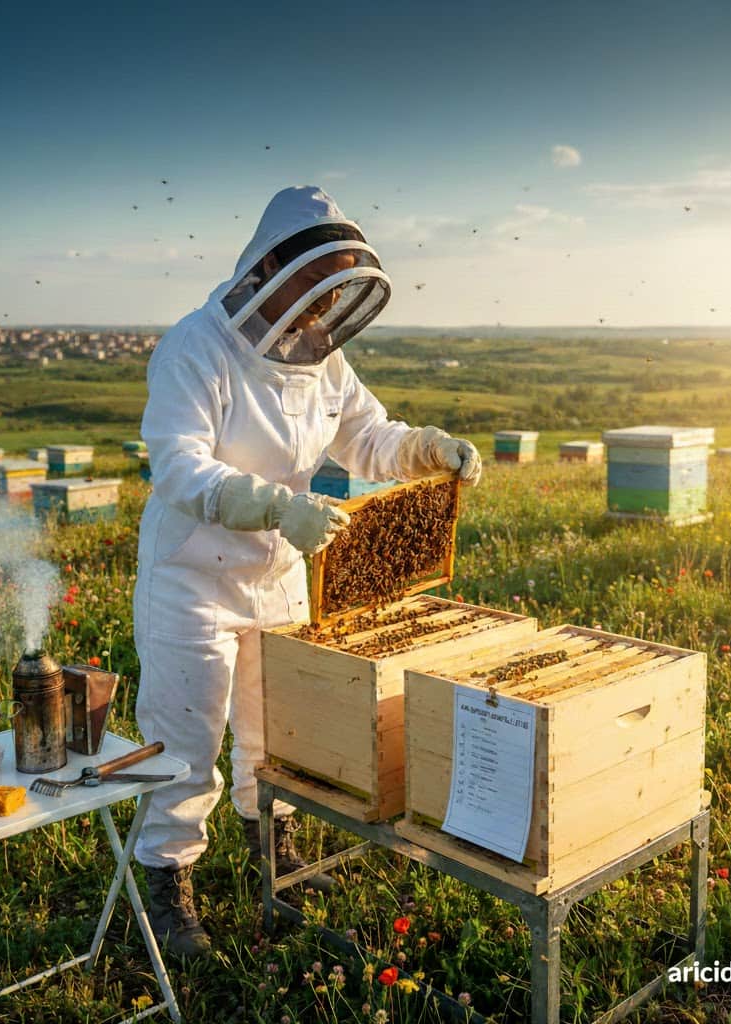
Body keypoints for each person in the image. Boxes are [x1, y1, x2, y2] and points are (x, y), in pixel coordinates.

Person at [133, 185, 481, 958]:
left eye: (336, 297)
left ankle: (274, 855)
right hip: (193, 578)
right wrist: (274, 506)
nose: (320, 316)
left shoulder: (323, 359)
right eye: (314, 292)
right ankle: (166, 885)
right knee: (183, 738)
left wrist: (425, 447)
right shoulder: (196, 350)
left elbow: (368, 436)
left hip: (280, 571)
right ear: (270, 272)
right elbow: (178, 469)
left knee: (278, 729)